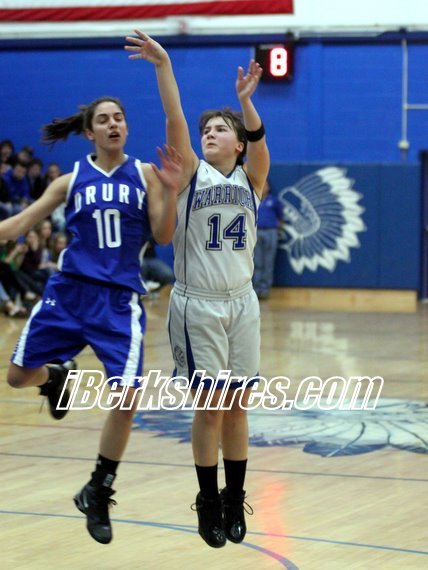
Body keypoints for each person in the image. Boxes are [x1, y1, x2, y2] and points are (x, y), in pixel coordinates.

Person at [0, 96, 182, 545]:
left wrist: (171, 190)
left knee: (127, 398)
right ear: (89, 132)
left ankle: (99, 489)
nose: (113, 124)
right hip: (68, 294)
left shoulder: (146, 174)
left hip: (118, 302)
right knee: (17, 377)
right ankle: (55, 377)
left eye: (119, 118)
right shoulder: (70, 180)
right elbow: (19, 223)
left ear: (126, 127)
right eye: (103, 120)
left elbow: (163, 235)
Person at [125, 31, 270, 548]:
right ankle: (208, 500)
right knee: (209, 408)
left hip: (242, 304)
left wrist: (246, 103)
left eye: (220, 129)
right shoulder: (190, 173)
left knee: (238, 407)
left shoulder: (253, 180)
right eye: (206, 129)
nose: (209, 133)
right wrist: (163, 65)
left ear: (238, 143)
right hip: (198, 303)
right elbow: (175, 119)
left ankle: (235, 497)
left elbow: (260, 144)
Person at [252, 179, 284, 300]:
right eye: (262, 184)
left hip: (271, 232)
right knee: (257, 262)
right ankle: (256, 289)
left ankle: (265, 289)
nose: (264, 187)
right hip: (256, 232)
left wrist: (277, 229)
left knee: (268, 262)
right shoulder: (253, 199)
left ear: (269, 187)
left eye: (266, 185)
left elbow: (281, 217)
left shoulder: (273, 201)